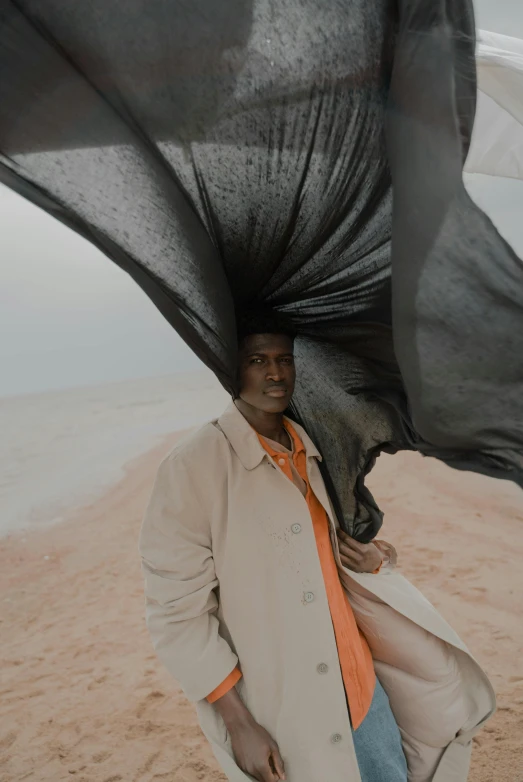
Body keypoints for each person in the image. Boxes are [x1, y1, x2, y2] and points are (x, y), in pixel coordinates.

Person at [139, 312, 495, 782]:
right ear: (232, 370)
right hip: (286, 706)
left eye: (284, 359)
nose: (275, 373)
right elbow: (176, 612)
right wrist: (238, 723)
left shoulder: (313, 447)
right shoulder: (193, 466)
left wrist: (375, 559)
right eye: (258, 360)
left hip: (363, 685)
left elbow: (330, 554)